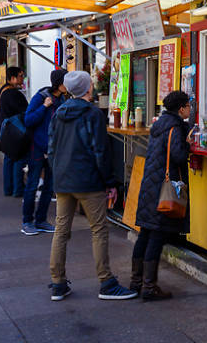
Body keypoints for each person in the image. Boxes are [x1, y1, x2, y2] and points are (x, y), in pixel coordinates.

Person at [47, 71, 136, 301]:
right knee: (98, 229)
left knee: (61, 230)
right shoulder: (93, 114)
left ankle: (58, 283)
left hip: (63, 180)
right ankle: (106, 282)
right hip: (88, 180)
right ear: (88, 88)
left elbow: (52, 148)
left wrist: (57, 175)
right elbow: (100, 150)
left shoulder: (59, 113)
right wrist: (110, 182)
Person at [130, 90, 190, 301]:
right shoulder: (174, 127)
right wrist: (189, 144)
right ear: (181, 108)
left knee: (145, 233)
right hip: (163, 189)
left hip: (150, 186)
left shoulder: (159, 125)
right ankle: (149, 286)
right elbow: (178, 156)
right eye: (188, 106)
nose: (189, 110)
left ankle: (136, 281)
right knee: (156, 235)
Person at [21, 69, 67, 236]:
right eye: (65, 81)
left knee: (49, 186)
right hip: (37, 148)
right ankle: (27, 221)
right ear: (58, 83)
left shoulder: (62, 98)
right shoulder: (41, 97)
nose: (67, 85)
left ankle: (41, 221)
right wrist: (44, 107)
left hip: (53, 149)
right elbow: (28, 120)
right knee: (32, 185)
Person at [0, 67, 28, 197]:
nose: (22, 78)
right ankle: (17, 189)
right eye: (20, 76)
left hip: (4, 131)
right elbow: (25, 111)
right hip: (14, 132)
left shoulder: (3, 90)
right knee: (18, 158)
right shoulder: (14, 93)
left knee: (9, 159)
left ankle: (8, 188)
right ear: (12, 78)